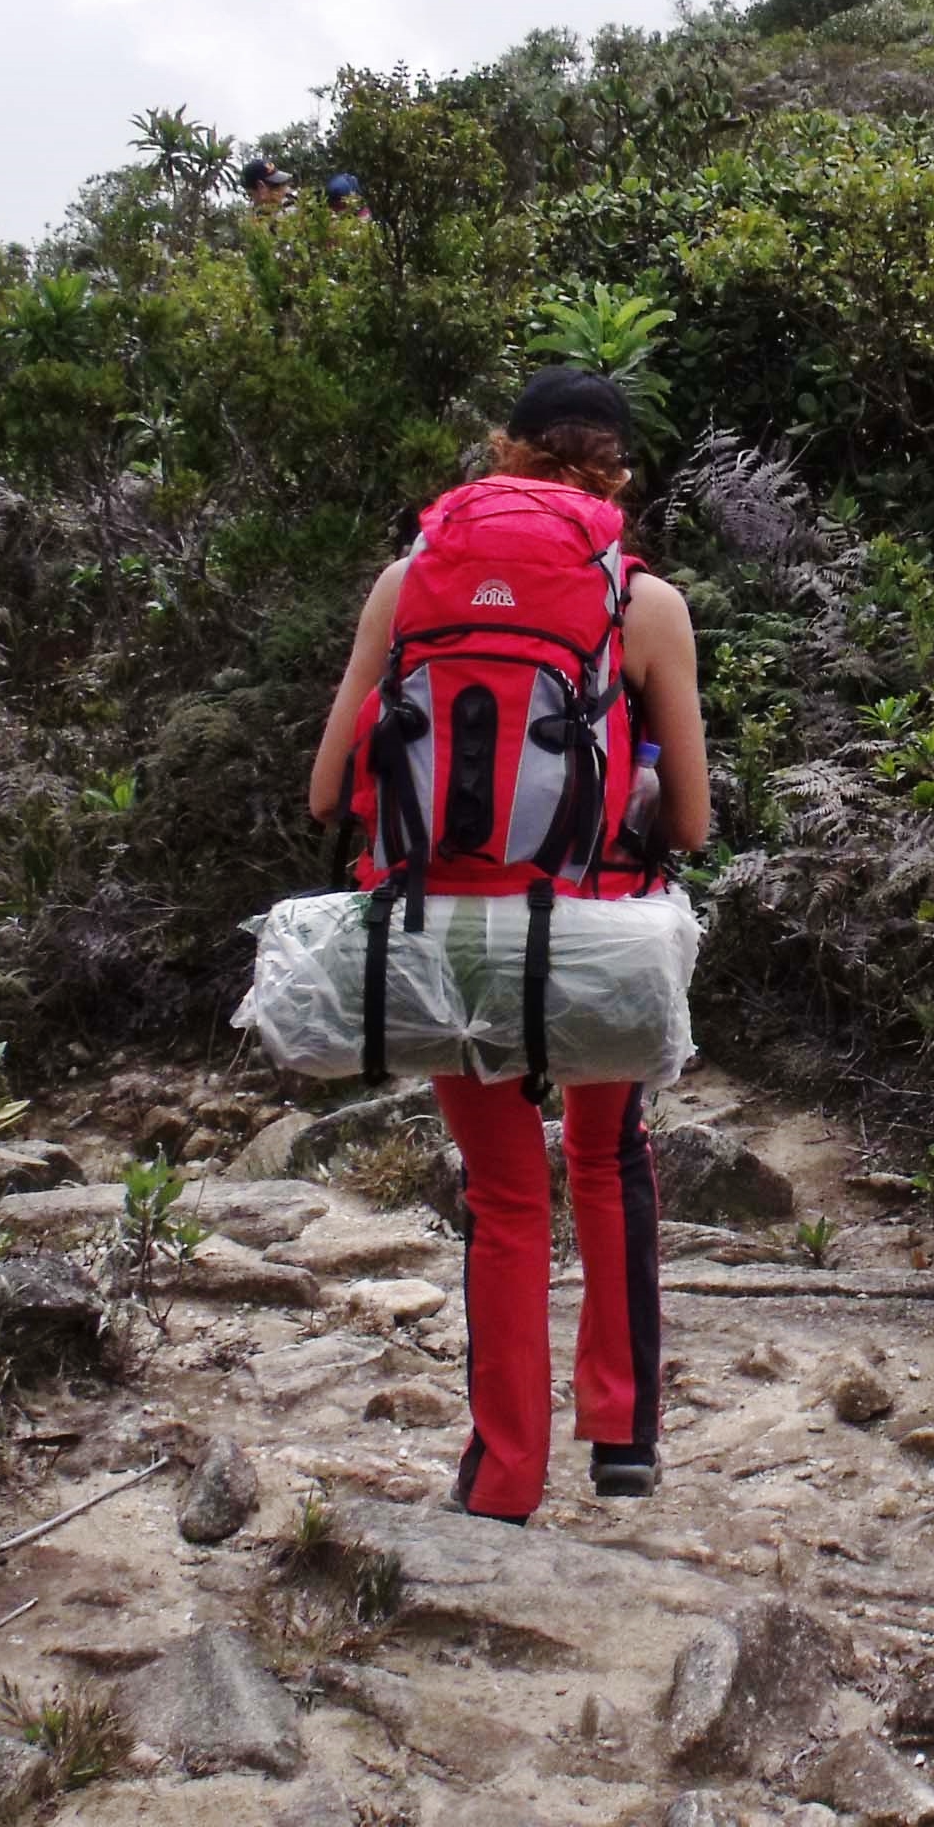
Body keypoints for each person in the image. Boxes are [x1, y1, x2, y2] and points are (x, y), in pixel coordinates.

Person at [306, 369, 711, 1517]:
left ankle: (503, 1479)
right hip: (595, 936)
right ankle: (624, 1438)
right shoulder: (648, 603)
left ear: (504, 451)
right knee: (606, 1156)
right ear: (617, 475)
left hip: (446, 934)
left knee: (502, 1195)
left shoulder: (409, 581)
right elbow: (689, 822)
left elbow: (329, 788)